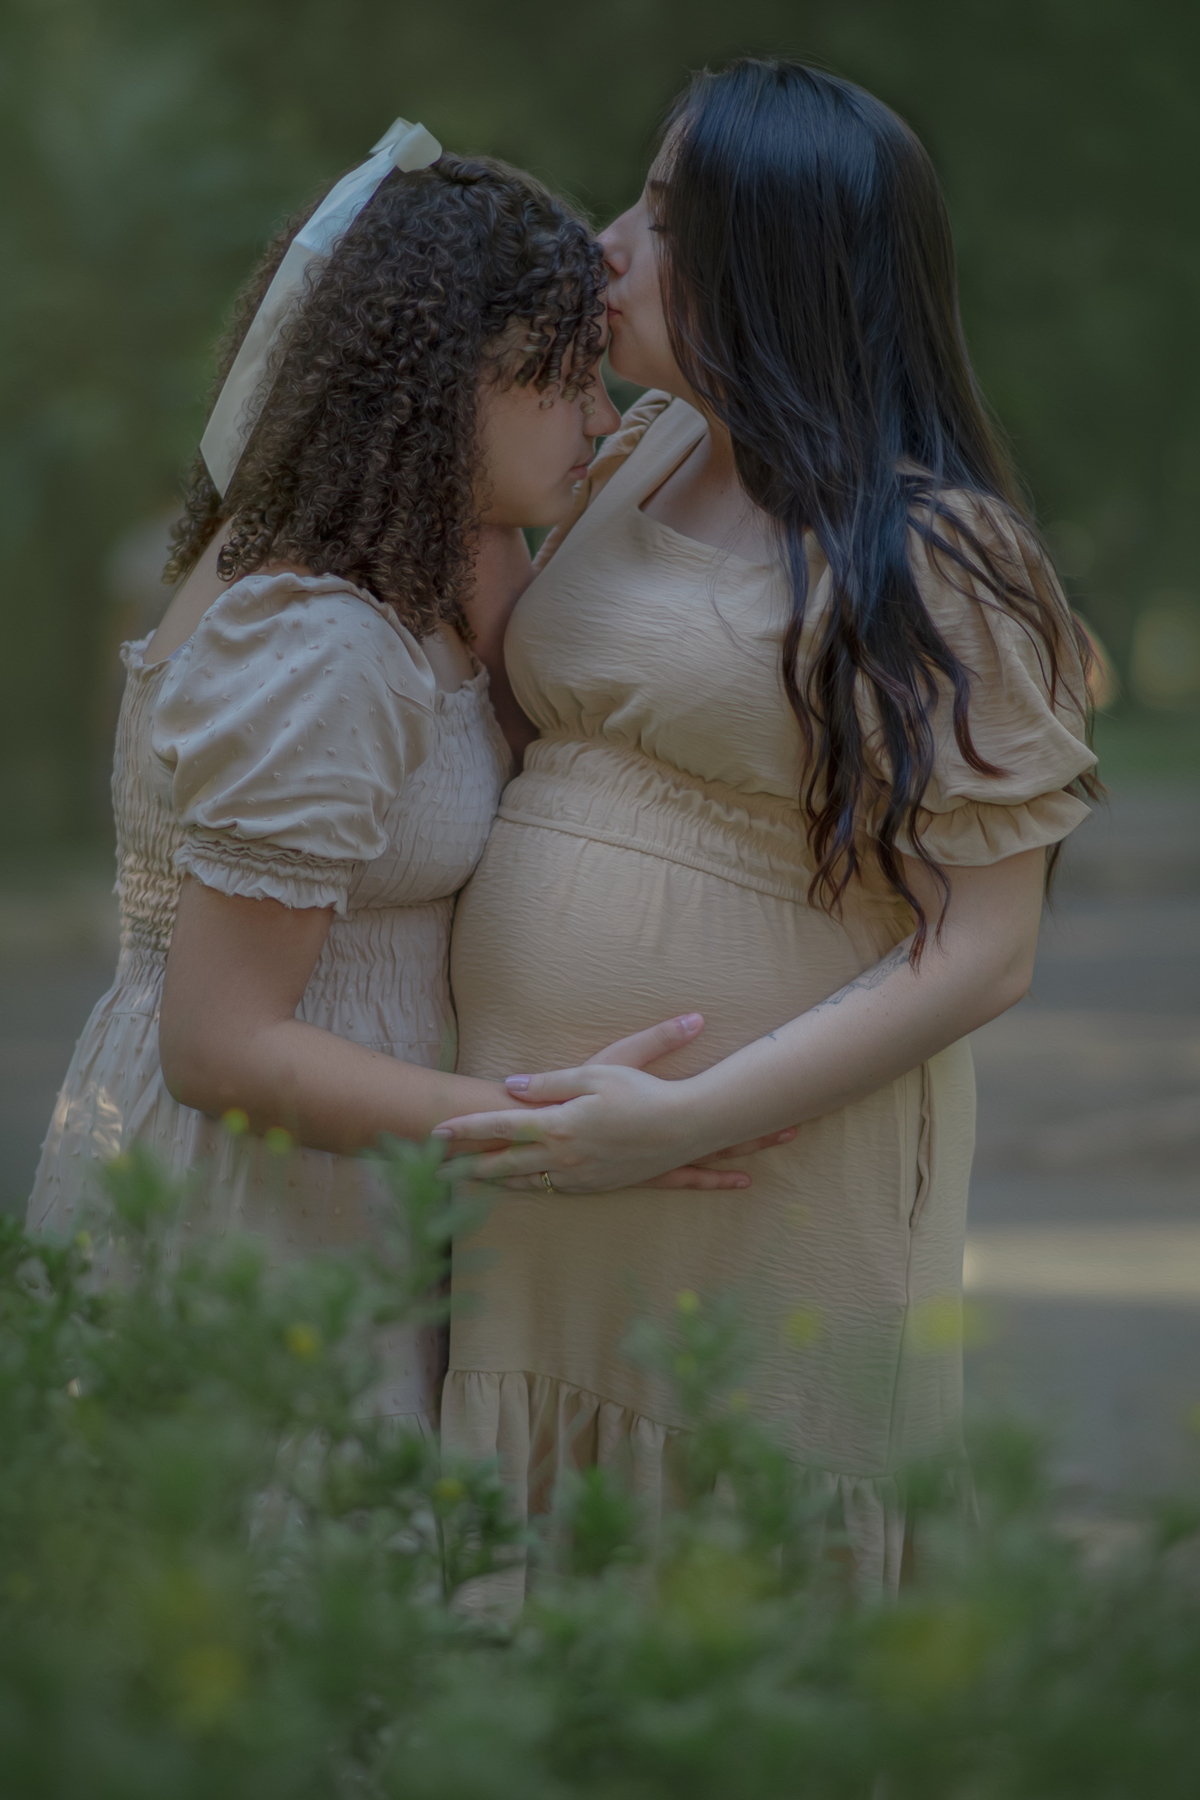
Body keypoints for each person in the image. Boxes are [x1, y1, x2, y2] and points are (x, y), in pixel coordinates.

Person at [435, 61, 1100, 1589]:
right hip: (556, 1186)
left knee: (743, 1572)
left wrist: (682, 1117)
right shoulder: (639, 453)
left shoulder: (937, 555)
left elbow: (984, 950)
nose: (608, 244)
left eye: (663, 219)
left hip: (752, 1178)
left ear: (779, 266)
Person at [28, 122, 773, 1429]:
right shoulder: (323, 641)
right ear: (435, 386)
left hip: (340, 1185)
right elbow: (220, 1044)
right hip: (247, 1208)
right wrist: (543, 1133)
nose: (604, 423)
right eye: (565, 381)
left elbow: (542, 712)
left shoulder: (421, 550)